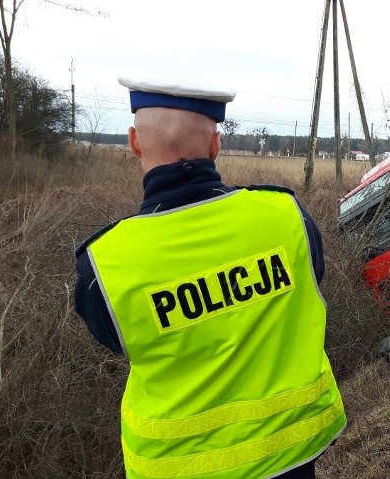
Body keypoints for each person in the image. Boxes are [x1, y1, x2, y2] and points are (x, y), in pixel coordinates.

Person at [73, 75, 346, 479]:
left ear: (133, 143)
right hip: (291, 457)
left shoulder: (103, 265)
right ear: (216, 146)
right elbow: (309, 284)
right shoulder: (288, 216)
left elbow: (118, 339)